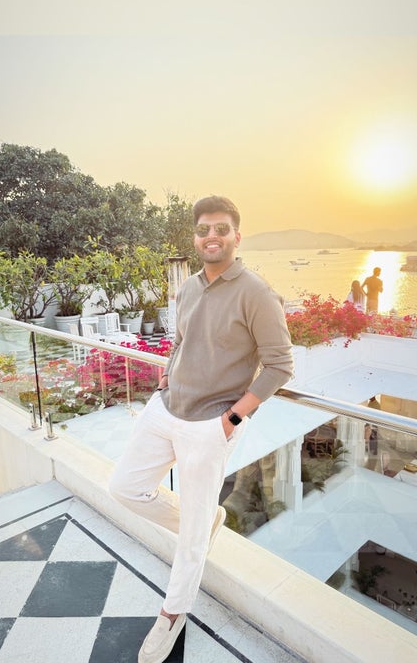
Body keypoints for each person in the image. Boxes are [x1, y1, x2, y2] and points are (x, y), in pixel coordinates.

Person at [108, 195, 294, 663]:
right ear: (195, 237)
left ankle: (171, 615)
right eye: (204, 229)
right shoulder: (188, 287)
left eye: (221, 229)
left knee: (191, 538)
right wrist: (167, 375)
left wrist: (232, 419)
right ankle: (205, 518)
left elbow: (279, 366)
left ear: (236, 236)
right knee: (125, 488)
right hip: (166, 408)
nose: (212, 236)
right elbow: (181, 340)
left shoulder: (256, 292)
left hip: (211, 424)